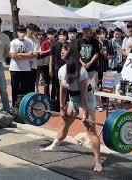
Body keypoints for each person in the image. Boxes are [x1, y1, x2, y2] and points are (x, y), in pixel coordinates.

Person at [40, 42, 103, 172]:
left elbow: (84, 95)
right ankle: (53, 145)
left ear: (71, 53)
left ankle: (97, 161)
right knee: (64, 124)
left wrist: (84, 112)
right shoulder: (62, 70)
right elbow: (62, 90)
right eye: (62, 49)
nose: (61, 51)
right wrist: (62, 108)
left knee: (90, 130)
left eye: (64, 49)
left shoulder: (82, 72)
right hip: (73, 98)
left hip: (86, 99)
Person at [9, 25, 33, 109]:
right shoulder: (13, 42)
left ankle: (22, 106)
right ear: (17, 33)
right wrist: (24, 56)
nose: (22, 34)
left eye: (23, 32)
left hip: (26, 69)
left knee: (24, 89)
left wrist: (19, 54)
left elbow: (31, 55)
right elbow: (13, 55)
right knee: (15, 89)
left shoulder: (29, 42)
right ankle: (14, 106)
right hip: (15, 69)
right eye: (20, 32)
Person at [78, 23, 100, 109]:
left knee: (94, 86)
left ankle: (98, 104)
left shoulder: (95, 41)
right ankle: (83, 103)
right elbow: (77, 54)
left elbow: (97, 53)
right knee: (82, 86)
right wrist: (82, 63)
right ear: (82, 31)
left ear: (91, 31)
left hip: (92, 67)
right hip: (82, 68)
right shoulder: (79, 41)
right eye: (84, 30)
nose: (86, 32)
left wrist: (90, 62)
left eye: (87, 30)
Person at [50, 29, 68, 112]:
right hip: (57, 68)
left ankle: (66, 104)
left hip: (67, 68)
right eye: (60, 35)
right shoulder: (54, 45)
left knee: (66, 87)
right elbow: (51, 57)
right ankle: (56, 105)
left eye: (64, 35)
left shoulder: (69, 45)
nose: (62, 37)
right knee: (56, 87)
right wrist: (50, 68)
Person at [95, 26, 113, 112]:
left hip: (105, 67)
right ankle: (98, 104)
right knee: (96, 86)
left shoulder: (108, 43)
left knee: (106, 85)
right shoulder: (94, 42)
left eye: (104, 33)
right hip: (95, 68)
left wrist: (106, 55)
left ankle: (106, 101)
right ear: (97, 34)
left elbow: (112, 56)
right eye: (100, 33)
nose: (102, 35)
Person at [40, 28, 56, 97]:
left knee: (54, 82)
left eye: (52, 34)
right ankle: (46, 97)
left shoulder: (56, 42)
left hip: (55, 64)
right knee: (46, 82)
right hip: (46, 64)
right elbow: (41, 53)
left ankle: (53, 97)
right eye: (49, 34)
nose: (51, 35)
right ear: (47, 35)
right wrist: (49, 50)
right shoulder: (44, 42)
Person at [25, 23, 41, 92]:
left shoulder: (36, 41)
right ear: (27, 29)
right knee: (24, 85)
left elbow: (37, 54)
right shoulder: (23, 40)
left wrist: (28, 54)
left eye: (33, 30)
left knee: (32, 85)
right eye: (29, 29)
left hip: (33, 66)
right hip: (23, 66)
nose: (31, 31)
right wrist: (30, 54)